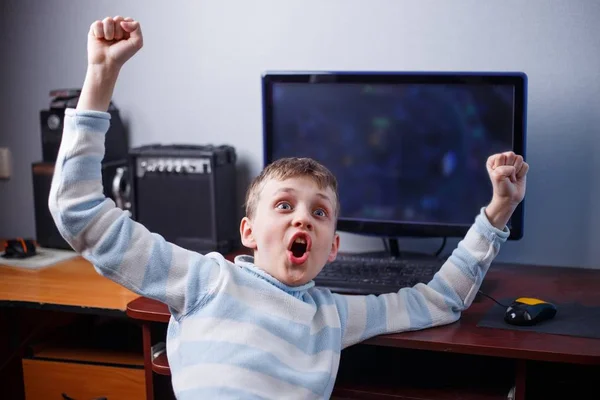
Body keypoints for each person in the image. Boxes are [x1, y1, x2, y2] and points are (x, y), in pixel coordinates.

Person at [49, 16, 529, 400]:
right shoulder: (205, 280)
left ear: (333, 247)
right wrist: (101, 77)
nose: (302, 217)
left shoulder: (334, 315)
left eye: (319, 213)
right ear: (249, 232)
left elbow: (438, 301)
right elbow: (80, 213)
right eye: (284, 205)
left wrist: (499, 210)